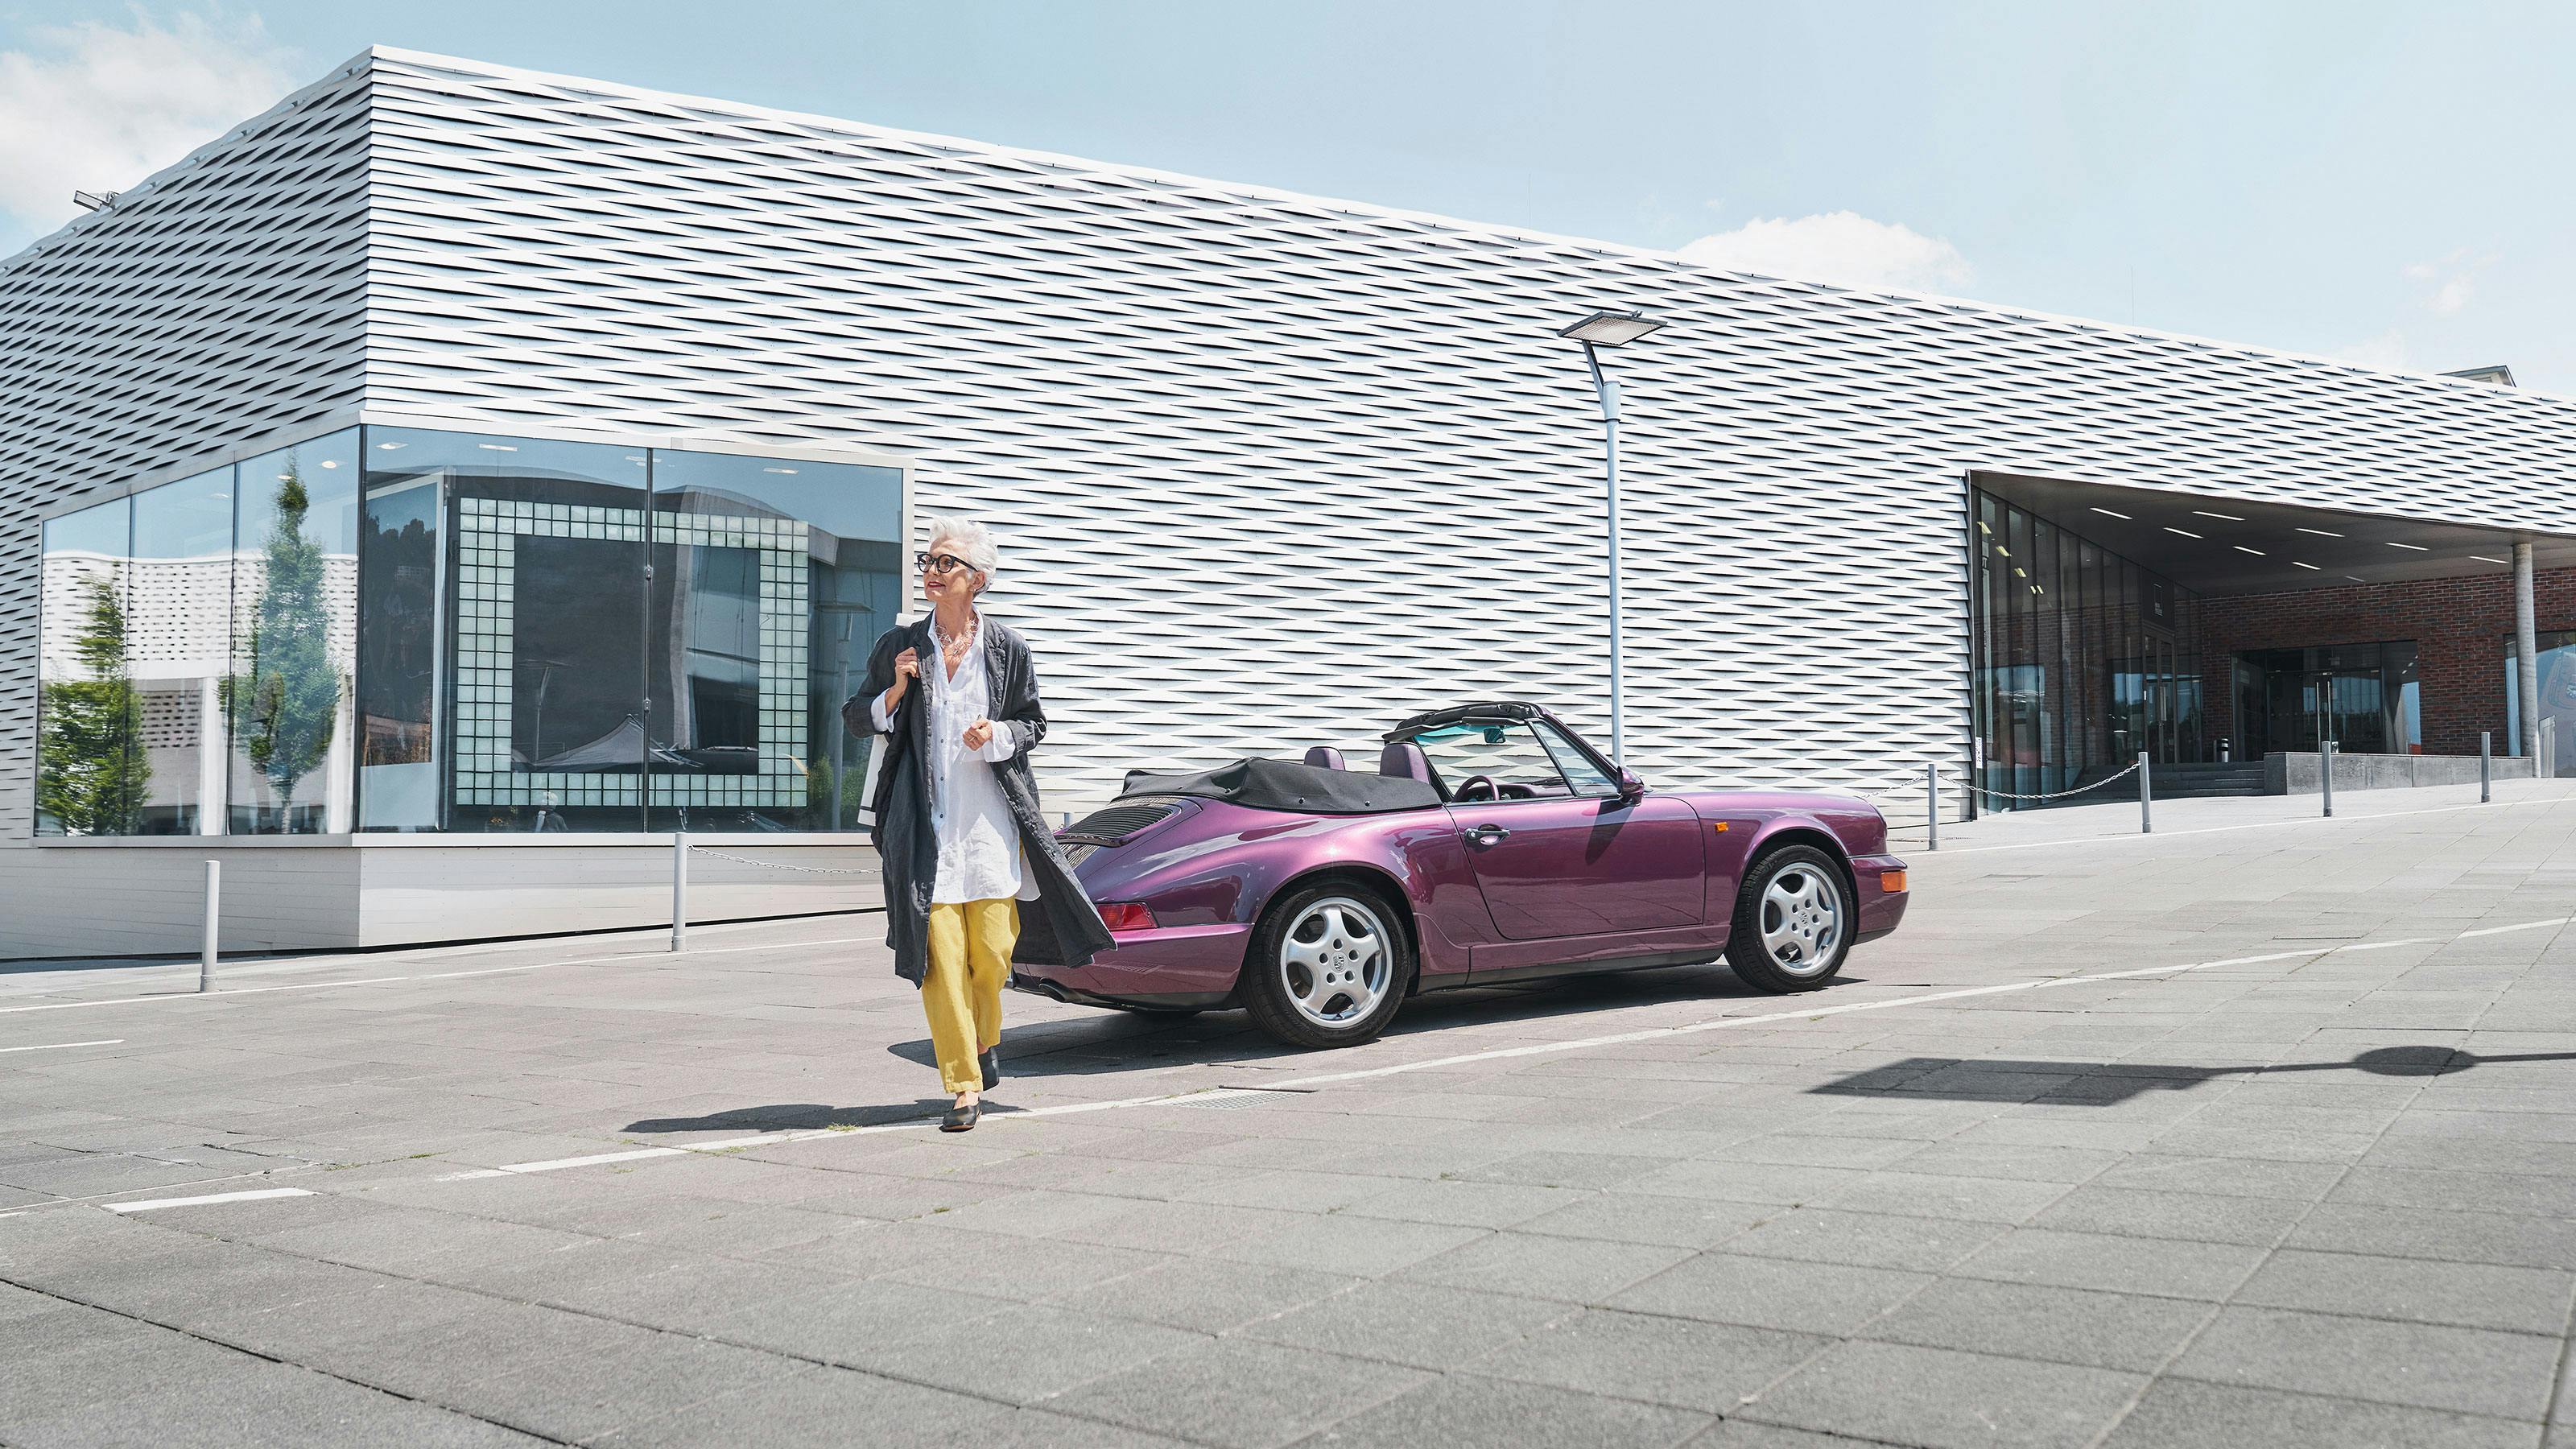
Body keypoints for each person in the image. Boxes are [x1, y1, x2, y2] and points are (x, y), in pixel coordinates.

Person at [846, 518, 1113, 1130]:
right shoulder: (901, 646)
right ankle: (964, 1085)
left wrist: (997, 735)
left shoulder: (1008, 649)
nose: (932, 572)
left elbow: (1033, 725)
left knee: (991, 956)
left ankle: (985, 1039)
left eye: (946, 563)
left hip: (991, 829)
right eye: (929, 561)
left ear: (978, 581)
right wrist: (895, 690)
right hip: (924, 829)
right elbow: (856, 716)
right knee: (938, 962)